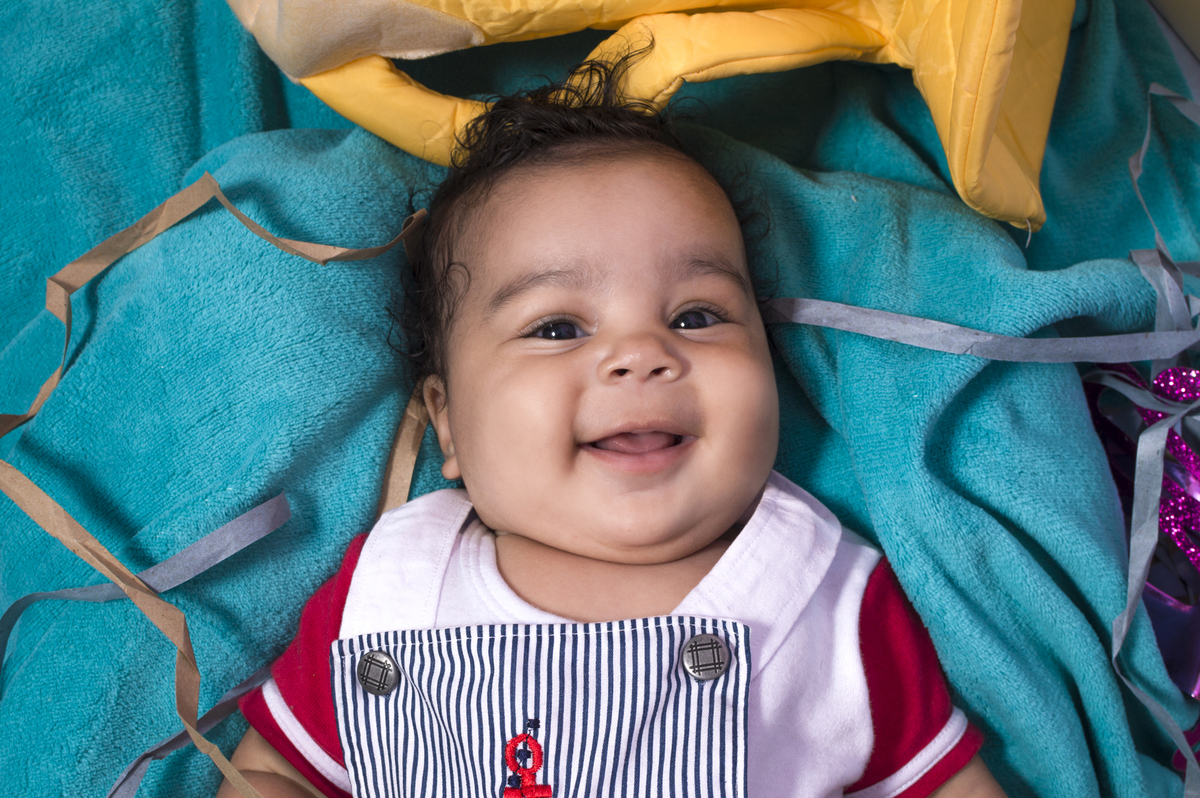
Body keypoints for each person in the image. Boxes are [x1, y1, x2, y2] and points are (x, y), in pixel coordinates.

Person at [216, 55, 1008, 798]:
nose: (640, 354)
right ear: (449, 424)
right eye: (558, 327)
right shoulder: (392, 591)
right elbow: (273, 772)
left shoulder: (826, 597)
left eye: (696, 316)